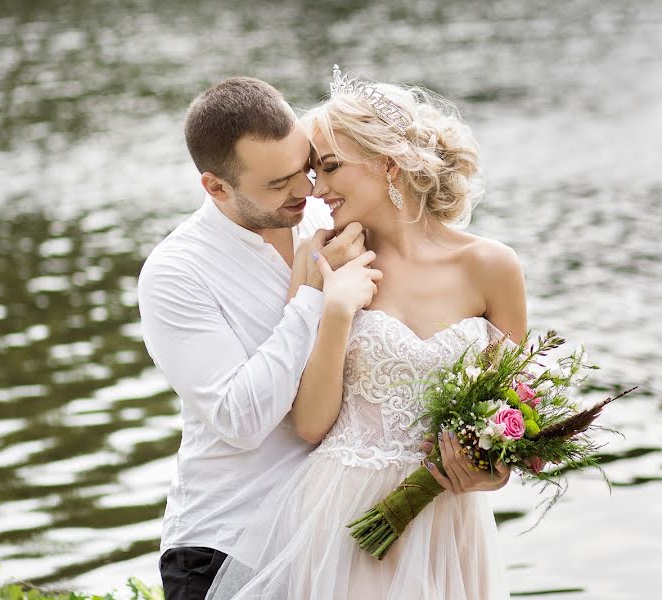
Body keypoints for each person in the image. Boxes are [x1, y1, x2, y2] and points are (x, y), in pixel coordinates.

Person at [204, 67, 525, 600]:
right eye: (313, 171)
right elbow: (309, 424)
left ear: (387, 164)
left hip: (450, 518)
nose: (315, 190)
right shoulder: (321, 259)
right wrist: (334, 309)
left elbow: (514, 413)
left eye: (329, 168)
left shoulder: (492, 266)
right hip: (343, 516)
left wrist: (488, 470)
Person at [137, 76, 382, 600]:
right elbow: (241, 420)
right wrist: (310, 297)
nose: (304, 191)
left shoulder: (326, 217)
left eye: (305, 169)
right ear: (215, 187)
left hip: (332, 538)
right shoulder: (176, 272)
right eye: (276, 184)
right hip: (225, 546)